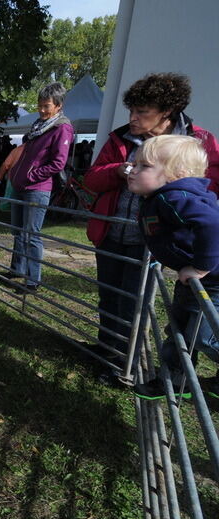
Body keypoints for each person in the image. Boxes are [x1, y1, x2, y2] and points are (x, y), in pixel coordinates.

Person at [85, 72, 219, 357]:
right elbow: (92, 180)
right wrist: (117, 171)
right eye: (131, 110)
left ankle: (125, 359)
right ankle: (107, 348)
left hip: (155, 241)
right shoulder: (119, 139)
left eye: (142, 112)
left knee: (134, 301)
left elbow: (209, 192)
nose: (133, 118)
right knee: (109, 295)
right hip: (113, 230)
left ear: (166, 112)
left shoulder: (197, 143)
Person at [127, 136, 219, 400]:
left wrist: (201, 267)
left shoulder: (174, 197)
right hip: (192, 280)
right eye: (134, 163)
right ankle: (176, 380)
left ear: (175, 175)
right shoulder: (161, 197)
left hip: (212, 281)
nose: (133, 169)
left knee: (204, 336)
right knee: (178, 331)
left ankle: (178, 378)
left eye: (143, 166)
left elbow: (213, 225)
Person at [8, 82, 74, 293]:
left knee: (31, 234)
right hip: (20, 185)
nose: (42, 109)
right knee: (18, 231)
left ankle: (32, 280)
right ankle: (17, 269)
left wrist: (31, 176)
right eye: (40, 105)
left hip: (38, 188)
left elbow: (58, 163)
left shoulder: (62, 128)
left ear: (58, 106)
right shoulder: (38, 126)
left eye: (47, 106)